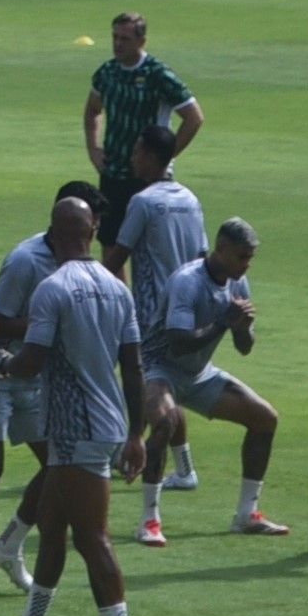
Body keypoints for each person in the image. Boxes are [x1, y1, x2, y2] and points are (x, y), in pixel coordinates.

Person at [0, 197, 150, 616]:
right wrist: (136, 433)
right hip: (106, 423)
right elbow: (133, 367)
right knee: (51, 529)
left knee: (93, 539)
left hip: (77, 431)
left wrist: (5, 364)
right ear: (92, 231)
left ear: (53, 235)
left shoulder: (52, 289)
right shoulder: (119, 290)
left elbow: (32, 359)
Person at [0, 182, 94, 607]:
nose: (86, 246)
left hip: (34, 374)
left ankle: (10, 544)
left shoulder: (78, 263)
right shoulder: (25, 261)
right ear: (58, 232)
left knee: (57, 463)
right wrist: (45, 326)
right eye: (79, 237)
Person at [141, 218, 283, 537]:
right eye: (241, 257)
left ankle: (247, 514)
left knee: (265, 419)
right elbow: (177, 339)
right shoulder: (187, 281)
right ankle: (149, 520)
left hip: (198, 373)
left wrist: (242, 328)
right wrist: (223, 322)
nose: (246, 265)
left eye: (250, 258)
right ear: (220, 249)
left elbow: (243, 348)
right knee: (164, 423)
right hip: (157, 367)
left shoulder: (237, 283)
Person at [106, 123, 206, 529]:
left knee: (149, 397)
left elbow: (119, 255)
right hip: (187, 315)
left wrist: (86, 283)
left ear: (150, 155)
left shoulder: (143, 202)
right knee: (169, 390)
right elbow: (202, 257)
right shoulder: (191, 199)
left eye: (137, 151)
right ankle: (184, 468)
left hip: (151, 317)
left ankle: (135, 471)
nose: (132, 158)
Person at [82, 11, 202, 259]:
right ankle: (119, 298)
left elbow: (193, 117)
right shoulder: (107, 73)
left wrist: (164, 156)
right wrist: (93, 149)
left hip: (149, 178)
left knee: (150, 246)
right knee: (111, 245)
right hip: (114, 171)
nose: (117, 43)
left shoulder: (158, 75)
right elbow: (93, 109)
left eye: (124, 38)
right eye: (114, 37)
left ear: (141, 42)